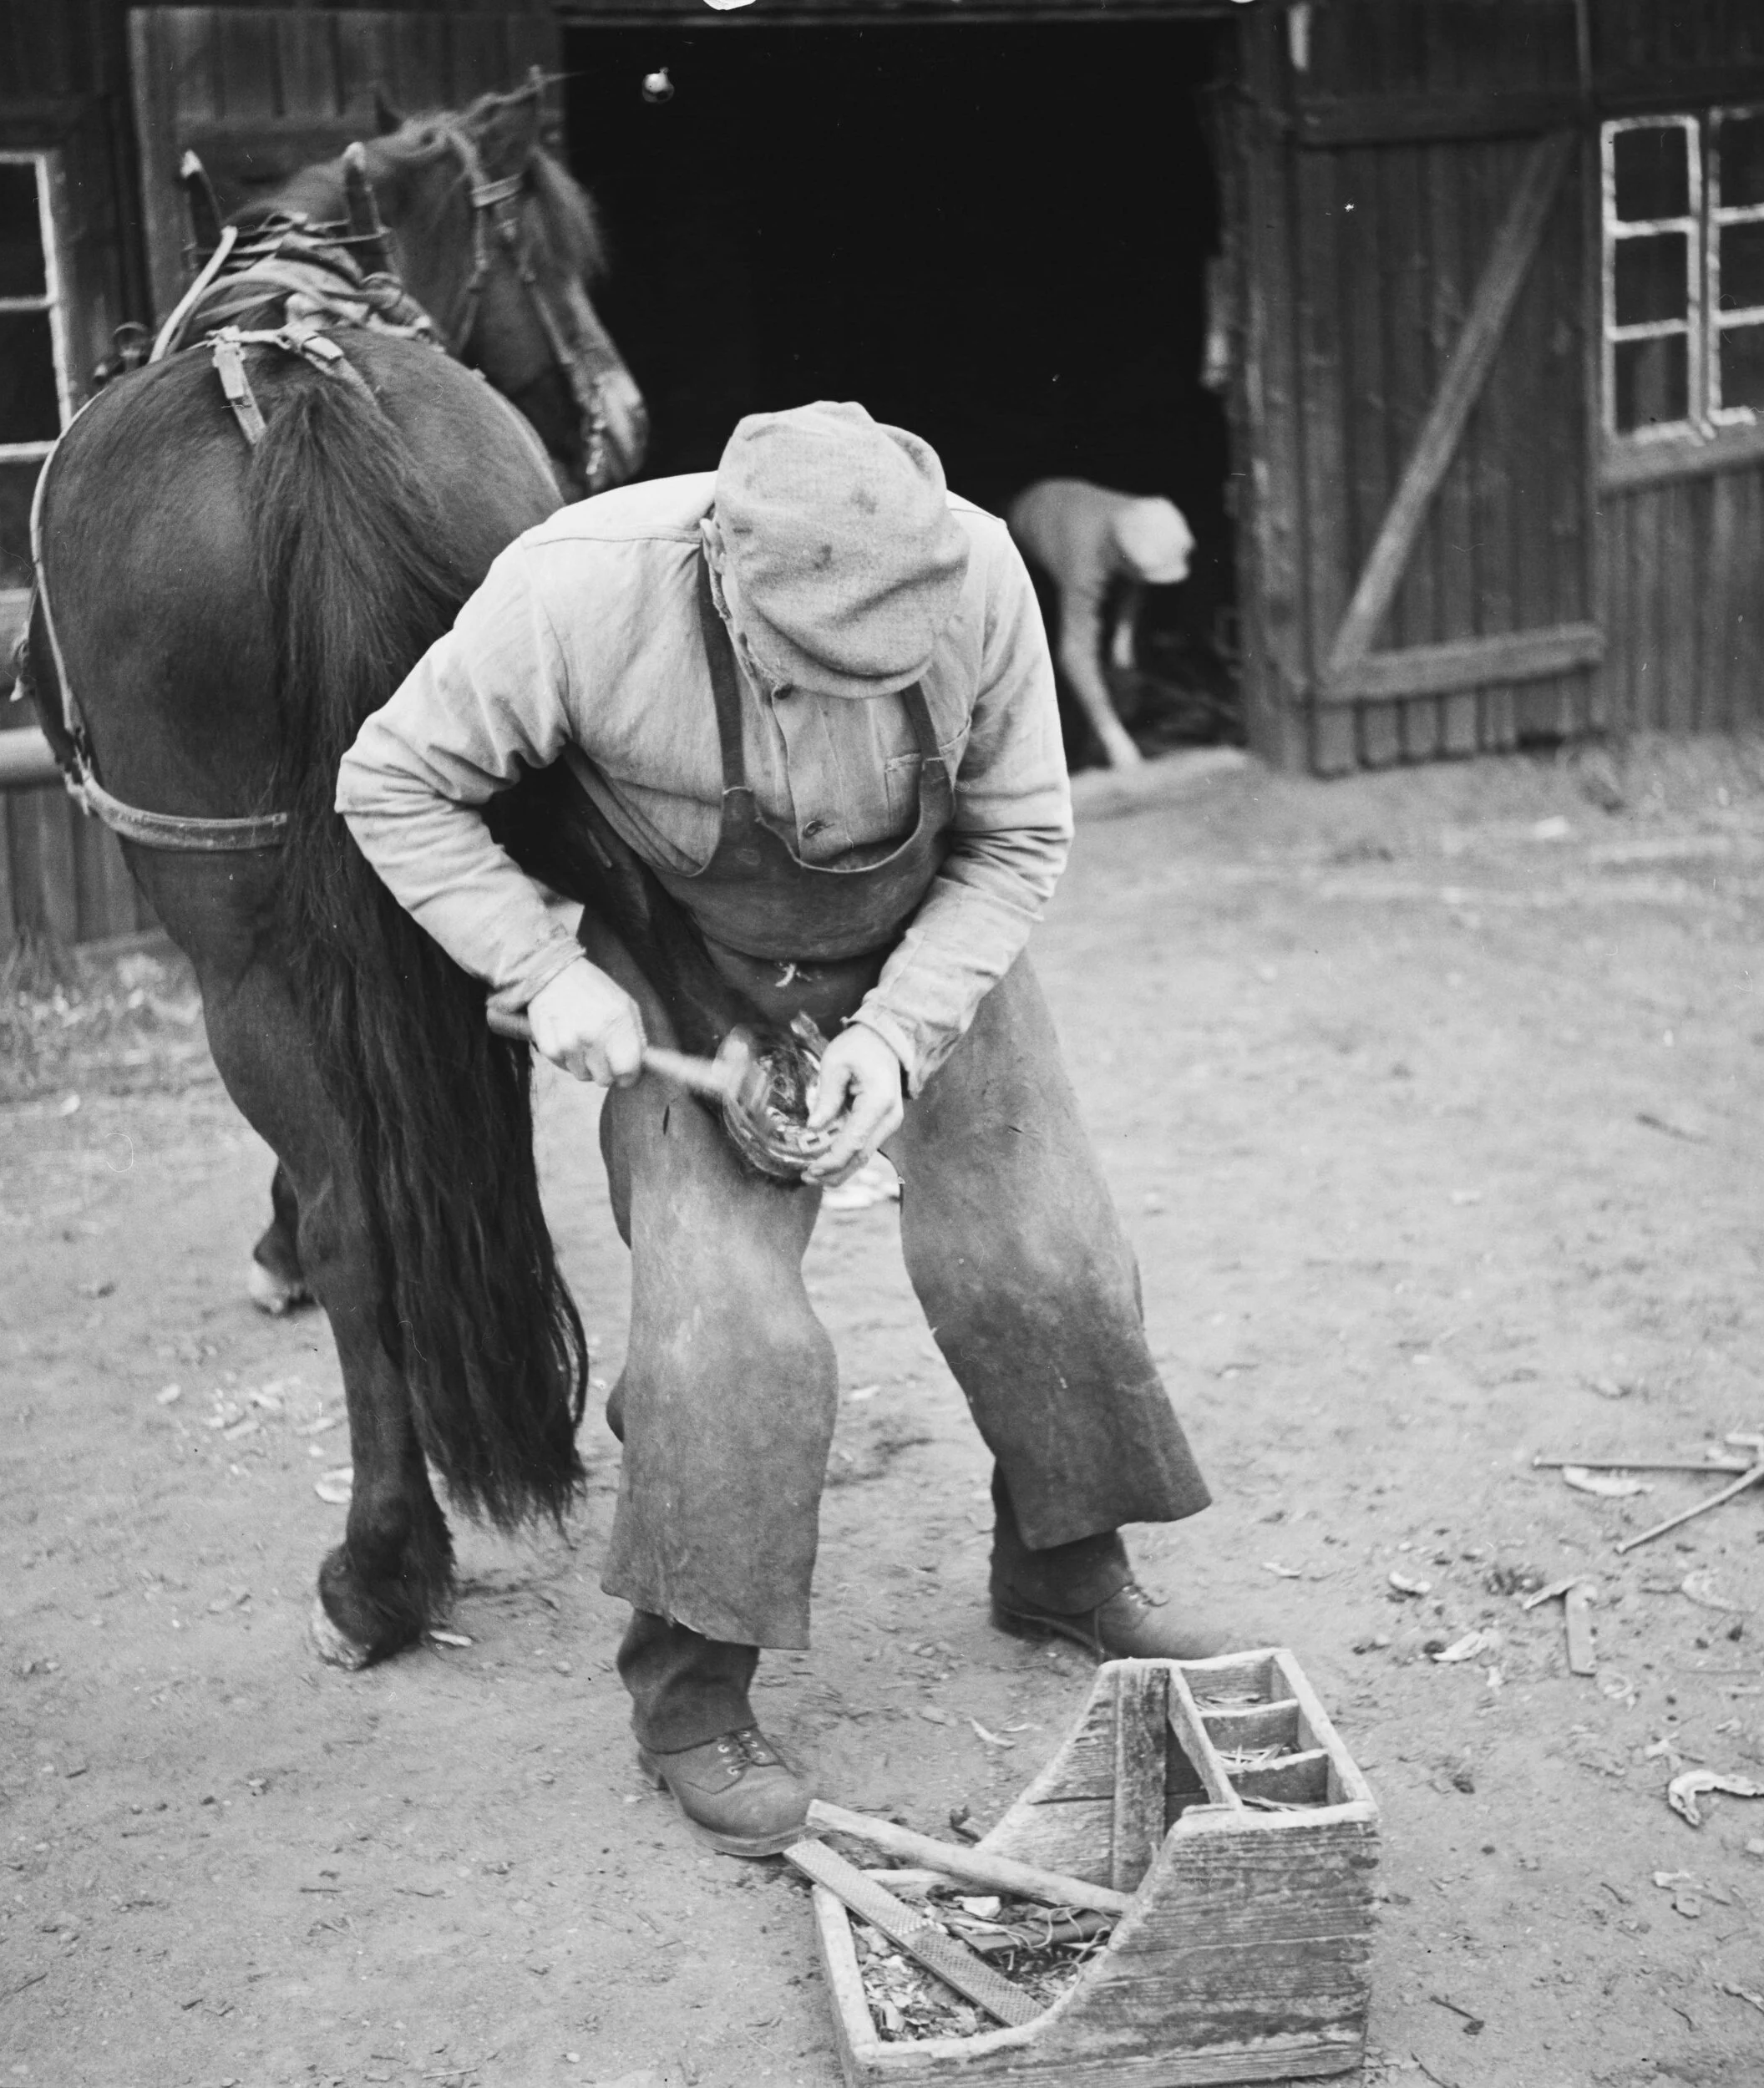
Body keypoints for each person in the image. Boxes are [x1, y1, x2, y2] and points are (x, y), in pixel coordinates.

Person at [335, 402, 1215, 1857]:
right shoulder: (575, 591)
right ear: (728, 588)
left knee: (1048, 1254)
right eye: (817, 674)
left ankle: (1065, 1567)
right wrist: (544, 971)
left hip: (922, 941)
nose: (853, 709)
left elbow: (1018, 837)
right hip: (684, 957)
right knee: (725, 1333)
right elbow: (393, 780)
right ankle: (691, 1700)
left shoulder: (983, 573)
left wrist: (898, 1035)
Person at [1006, 478, 1194, 772]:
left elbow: (1138, 577)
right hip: (1026, 530)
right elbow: (1074, 653)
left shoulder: (1145, 517)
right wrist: (1115, 739)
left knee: (1120, 653)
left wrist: (1123, 643)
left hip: (1074, 508)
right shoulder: (1084, 561)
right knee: (1045, 644)